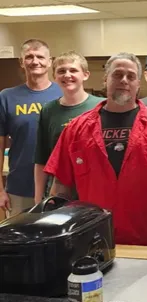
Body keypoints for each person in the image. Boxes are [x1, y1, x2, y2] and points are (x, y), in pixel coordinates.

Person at [45, 52, 147, 247]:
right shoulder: (76, 129)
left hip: (146, 237)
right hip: (91, 236)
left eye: (131, 76)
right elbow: (62, 182)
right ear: (105, 79)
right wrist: (56, 224)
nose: (124, 80)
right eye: (117, 75)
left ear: (137, 83)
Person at [0, 39, 62, 216]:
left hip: (60, 188)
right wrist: (0, 190)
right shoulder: (6, 97)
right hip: (19, 188)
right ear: (21, 62)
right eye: (29, 57)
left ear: (50, 62)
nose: (35, 61)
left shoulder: (63, 93)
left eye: (40, 57)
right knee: (18, 242)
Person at [34, 51, 104, 204]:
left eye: (73, 70)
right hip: (59, 193)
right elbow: (41, 159)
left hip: (94, 190)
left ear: (85, 75)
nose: (67, 75)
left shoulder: (101, 106)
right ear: (55, 77)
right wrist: (38, 198)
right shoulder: (48, 110)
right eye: (61, 71)